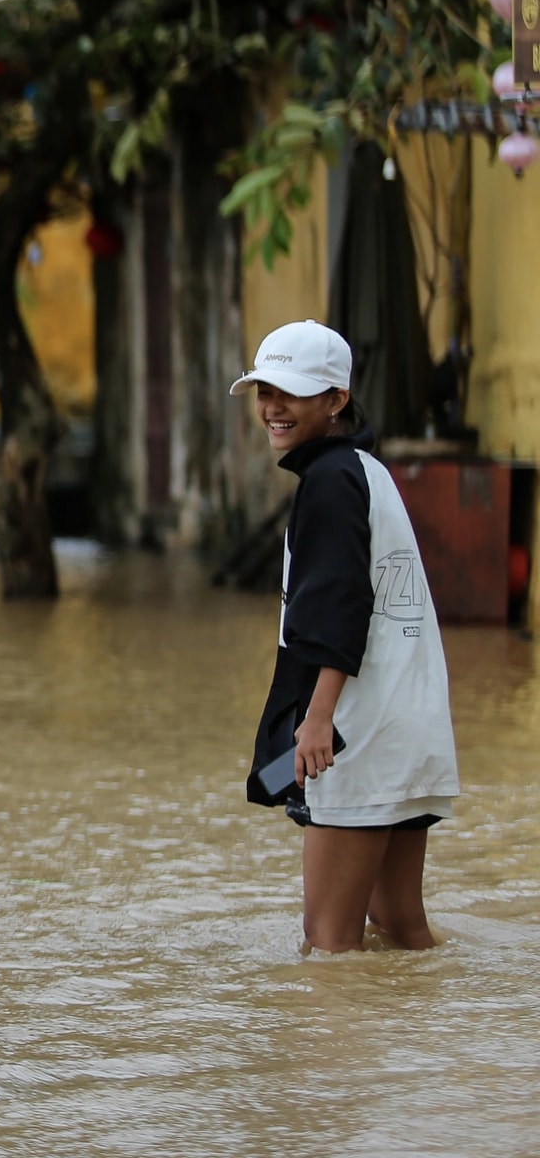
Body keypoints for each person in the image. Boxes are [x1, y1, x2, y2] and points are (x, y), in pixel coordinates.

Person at [233, 319, 460, 953]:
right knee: (399, 924)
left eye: (292, 392)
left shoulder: (330, 483)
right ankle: (454, 1036)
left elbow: (338, 611)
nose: (273, 407)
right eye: (263, 391)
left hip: (355, 733)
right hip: (408, 728)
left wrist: (316, 721)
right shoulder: (367, 470)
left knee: (328, 942)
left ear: (336, 400)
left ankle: (333, 1055)